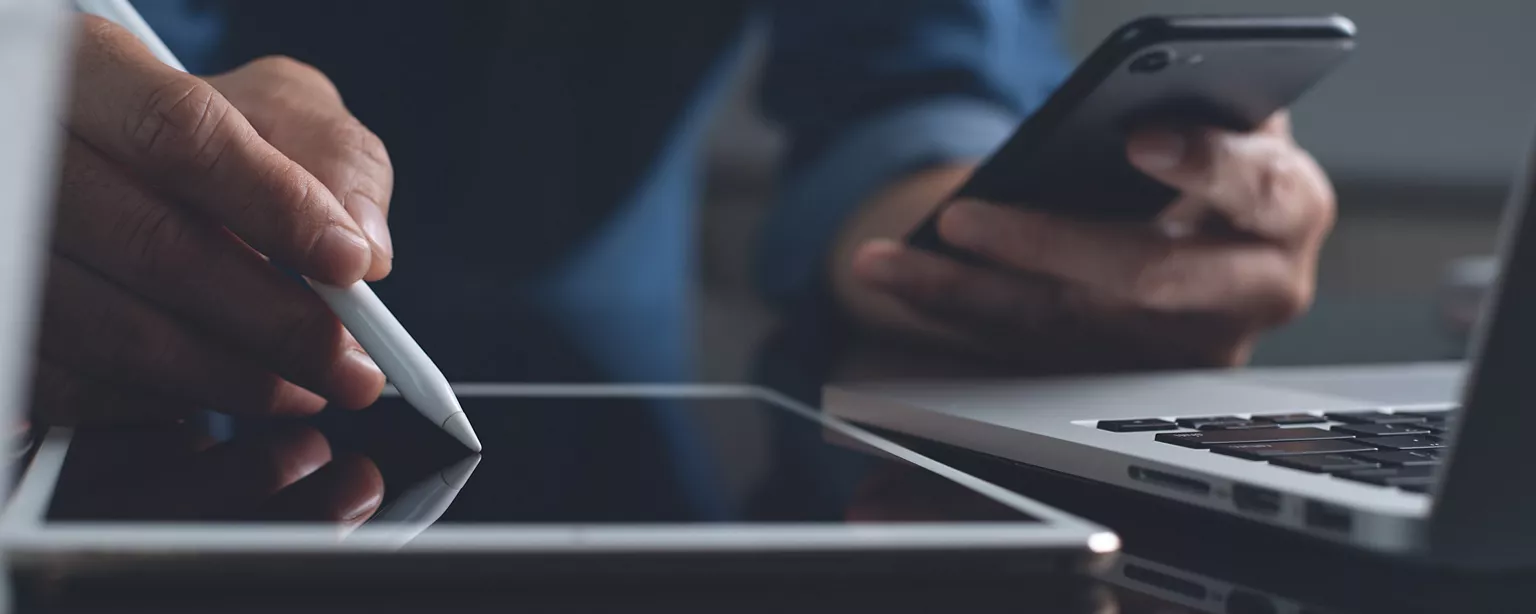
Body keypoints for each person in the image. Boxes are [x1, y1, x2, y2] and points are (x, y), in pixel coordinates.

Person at [34, 0, 1334, 425]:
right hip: (129, 353)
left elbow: (921, 64)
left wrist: (977, 234)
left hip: (635, 404)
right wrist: (50, 76)